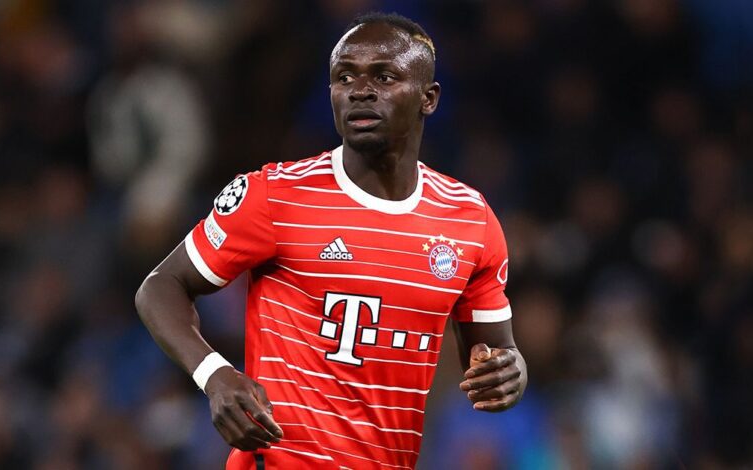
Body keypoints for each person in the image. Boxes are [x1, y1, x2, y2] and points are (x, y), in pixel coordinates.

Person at [135, 12, 527, 470]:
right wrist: (215, 374)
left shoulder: (470, 220)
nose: (361, 90)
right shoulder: (274, 195)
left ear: (429, 98)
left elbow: (496, 354)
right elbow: (160, 286)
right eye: (345, 77)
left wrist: (509, 373)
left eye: (384, 75)